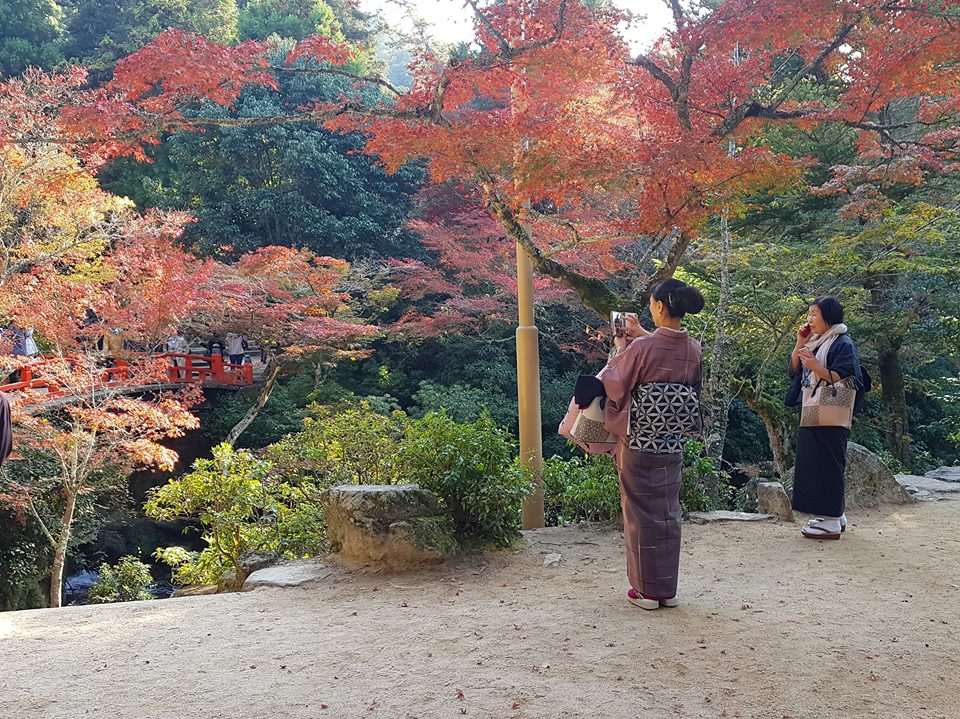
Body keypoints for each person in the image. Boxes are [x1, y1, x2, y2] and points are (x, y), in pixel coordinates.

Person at [580, 278, 705, 610]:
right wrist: (643, 339)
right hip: (673, 443)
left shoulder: (641, 348)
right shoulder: (693, 349)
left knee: (638, 512)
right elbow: (687, 377)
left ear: (660, 306)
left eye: (652, 304)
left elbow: (614, 383)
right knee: (667, 512)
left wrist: (623, 348)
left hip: (638, 441)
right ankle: (668, 589)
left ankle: (646, 591)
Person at [785, 296, 864, 540]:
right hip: (813, 408)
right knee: (817, 463)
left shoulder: (842, 342)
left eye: (814, 314)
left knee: (828, 463)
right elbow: (794, 368)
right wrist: (801, 342)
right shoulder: (818, 341)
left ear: (828, 316)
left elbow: (849, 377)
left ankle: (830, 521)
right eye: (809, 314)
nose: (810, 319)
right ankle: (834, 515)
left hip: (832, 410)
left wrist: (817, 367)